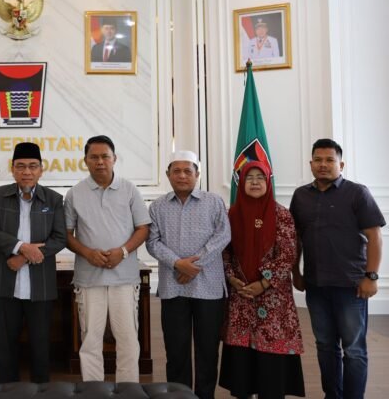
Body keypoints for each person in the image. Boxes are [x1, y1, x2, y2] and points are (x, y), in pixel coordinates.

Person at [290, 138, 385, 399]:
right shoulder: (300, 196)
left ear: (340, 164)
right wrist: (295, 272)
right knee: (324, 346)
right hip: (316, 286)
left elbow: (374, 236)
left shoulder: (357, 193)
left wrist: (371, 277)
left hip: (352, 287)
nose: (323, 165)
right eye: (318, 160)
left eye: (329, 160)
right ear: (311, 164)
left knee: (354, 350)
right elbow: (295, 237)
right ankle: (333, 394)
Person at [65, 135, 151, 382]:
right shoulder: (74, 194)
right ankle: (94, 391)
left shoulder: (130, 189)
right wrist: (87, 253)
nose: (100, 161)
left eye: (105, 156)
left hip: (123, 278)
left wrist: (122, 252)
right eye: (94, 157)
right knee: (90, 339)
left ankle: (128, 390)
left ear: (114, 159)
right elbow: (67, 235)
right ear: (85, 161)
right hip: (89, 278)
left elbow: (143, 228)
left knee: (127, 339)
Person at [146, 150, 230, 399]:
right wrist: (177, 264)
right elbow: (152, 242)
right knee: (176, 350)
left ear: (198, 174)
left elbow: (223, 236)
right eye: (176, 171)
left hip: (209, 287)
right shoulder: (157, 207)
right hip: (174, 288)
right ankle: (179, 396)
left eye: (188, 171)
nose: (182, 176)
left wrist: (193, 266)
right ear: (167, 175)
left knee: (207, 350)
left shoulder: (214, 201)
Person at [219, 161, 305, 399]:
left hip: (273, 300)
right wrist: (233, 278)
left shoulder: (281, 214)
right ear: (241, 182)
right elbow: (223, 251)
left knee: (271, 368)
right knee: (243, 364)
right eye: (249, 177)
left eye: (260, 177)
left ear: (268, 182)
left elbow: (288, 253)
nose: (255, 182)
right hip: (241, 296)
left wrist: (264, 283)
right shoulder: (231, 215)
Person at [0, 142, 67, 384]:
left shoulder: (53, 199)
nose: (27, 172)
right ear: (12, 169)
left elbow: (59, 238)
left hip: (39, 283)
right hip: (5, 281)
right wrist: (23, 247)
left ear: (41, 170)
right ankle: (6, 389)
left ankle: (40, 390)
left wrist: (25, 256)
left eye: (32, 166)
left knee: (41, 343)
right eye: (21, 166)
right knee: (5, 343)